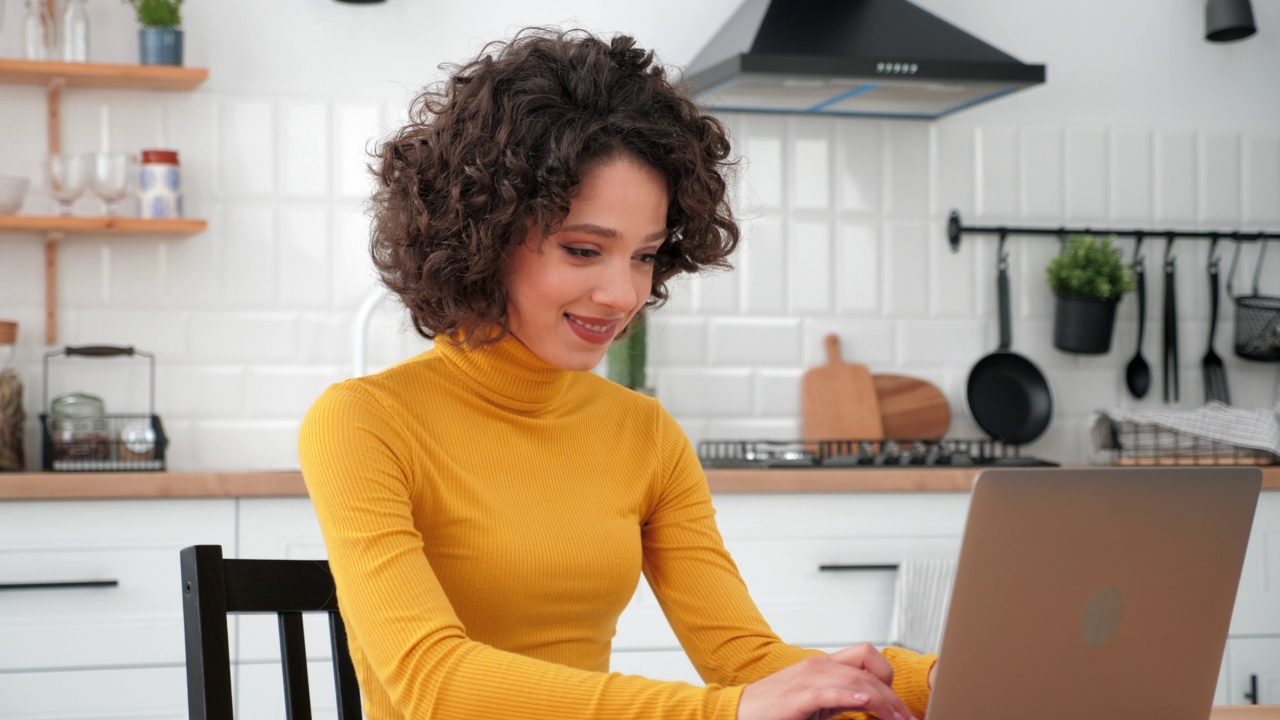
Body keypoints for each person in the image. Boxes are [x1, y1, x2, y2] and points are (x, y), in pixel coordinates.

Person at [299, 27, 938, 720]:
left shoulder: (644, 434)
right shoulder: (363, 422)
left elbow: (745, 660)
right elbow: (431, 682)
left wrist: (938, 679)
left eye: (643, 256)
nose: (623, 294)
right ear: (482, 234)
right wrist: (721, 713)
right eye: (583, 250)